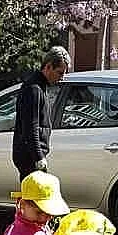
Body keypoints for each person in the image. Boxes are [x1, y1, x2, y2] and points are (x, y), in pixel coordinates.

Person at [12, 46, 71, 180]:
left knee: (36, 198)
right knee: (35, 198)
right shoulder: (34, 89)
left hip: (32, 156)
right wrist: (38, 157)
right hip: (30, 157)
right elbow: (30, 127)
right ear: (48, 67)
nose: (62, 78)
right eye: (60, 73)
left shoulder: (40, 87)